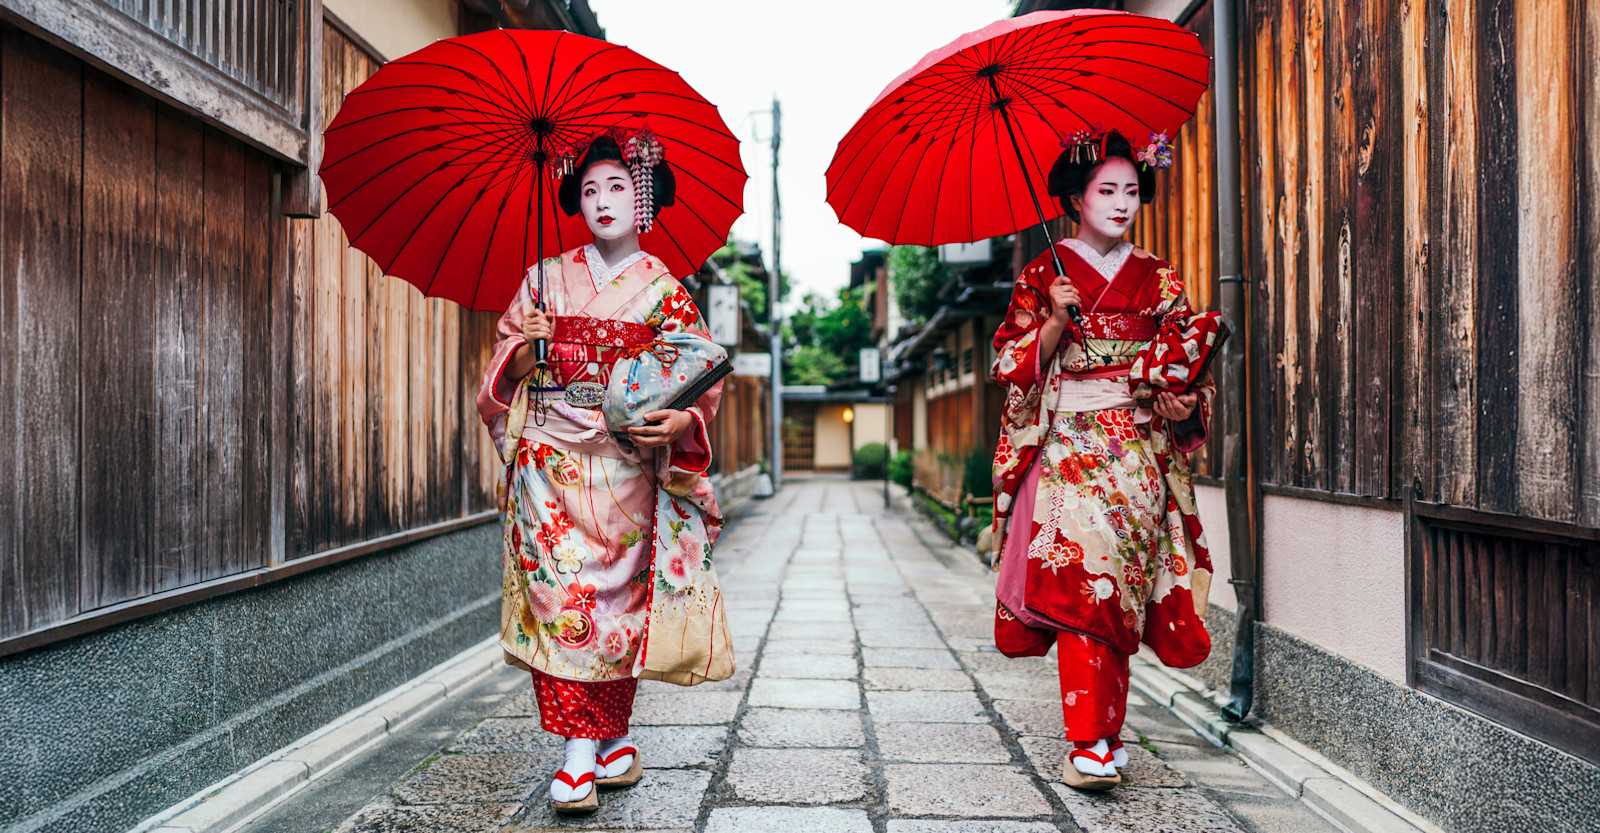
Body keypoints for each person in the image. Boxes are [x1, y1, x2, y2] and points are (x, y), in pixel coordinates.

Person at [476, 131, 728, 814]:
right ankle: (578, 755)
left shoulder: (665, 291)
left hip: (625, 468)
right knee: (564, 605)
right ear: (574, 202)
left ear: (641, 197)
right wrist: (524, 355)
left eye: (617, 185)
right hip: (549, 467)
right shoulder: (542, 279)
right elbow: (501, 376)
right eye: (589, 189)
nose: (602, 200)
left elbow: (699, 380)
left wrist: (683, 424)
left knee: (618, 608)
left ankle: (611, 736)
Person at [988, 129, 1215, 791]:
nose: (1121, 203)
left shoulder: (1160, 277)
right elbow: (1010, 364)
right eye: (1106, 190)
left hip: (1139, 448)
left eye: (1132, 191)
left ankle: (1107, 736)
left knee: (1122, 590)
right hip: (1071, 448)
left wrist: (1181, 402)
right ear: (1075, 200)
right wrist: (1055, 322)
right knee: (1086, 581)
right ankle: (1088, 742)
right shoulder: (1043, 275)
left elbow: (1186, 365)